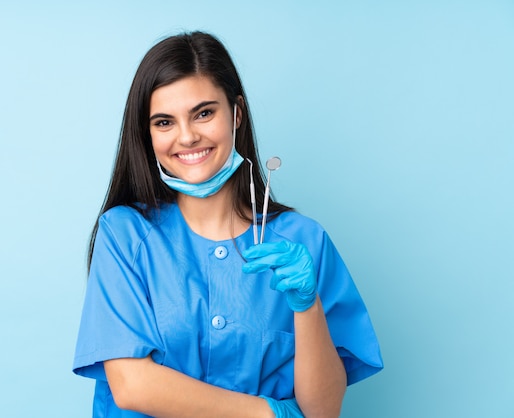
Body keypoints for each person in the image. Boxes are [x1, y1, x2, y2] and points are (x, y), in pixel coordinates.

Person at [73, 31, 383, 418]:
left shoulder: (303, 242)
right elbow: (132, 384)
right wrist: (269, 413)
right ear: (147, 134)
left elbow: (322, 411)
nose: (187, 137)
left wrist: (307, 307)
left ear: (235, 113)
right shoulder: (125, 234)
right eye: (164, 122)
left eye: (204, 113)